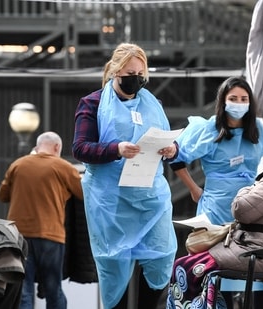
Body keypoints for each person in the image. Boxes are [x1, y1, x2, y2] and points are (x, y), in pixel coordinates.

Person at [72, 42, 178, 309]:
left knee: (161, 254)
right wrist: (115, 149)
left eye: (141, 75)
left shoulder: (153, 105)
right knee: (114, 264)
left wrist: (171, 149)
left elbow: (173, 147)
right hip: (111, 201)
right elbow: (80, 148)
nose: (136, 80)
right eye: (130, 74)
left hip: (148, 197)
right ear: (115, 72)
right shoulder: (93, 103)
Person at [167, 132, 263, 309]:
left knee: (184, 266)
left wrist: (246, 188)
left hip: (258, 253)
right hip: (261, 249)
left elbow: (240, 210)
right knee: (194, 263)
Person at [0, 131, 84, 309]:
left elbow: (3, 195)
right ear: (57, 147)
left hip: (19, 237)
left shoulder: (18, 165)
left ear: (36, 147)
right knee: (54, 290)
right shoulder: (64, 167)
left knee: (24, 290)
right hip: (50, 236)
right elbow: (84, 194)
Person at [170, 76, 263, 225]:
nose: (239, 104)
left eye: (244, 99)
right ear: (223, 101)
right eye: (233, 99)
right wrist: (194, 189)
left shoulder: (257, 129)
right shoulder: (209, 129)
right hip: (215, 209)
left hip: (249, 207)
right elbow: (174, 156)